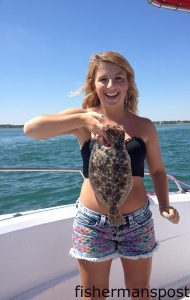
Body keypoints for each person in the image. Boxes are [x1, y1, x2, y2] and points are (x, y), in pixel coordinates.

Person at [24, 51, 180, 300]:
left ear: (129, 83)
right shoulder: (83, 120)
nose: (111, 85)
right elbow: (31, 129)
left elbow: (158, 171)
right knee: (94, 295)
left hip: (137, 222)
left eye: (119, 78)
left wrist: (164, 205)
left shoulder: (144, 126)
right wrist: (83, 118)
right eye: (103, 79)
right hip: (92, 223)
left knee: (140, 293)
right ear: (93, 84)